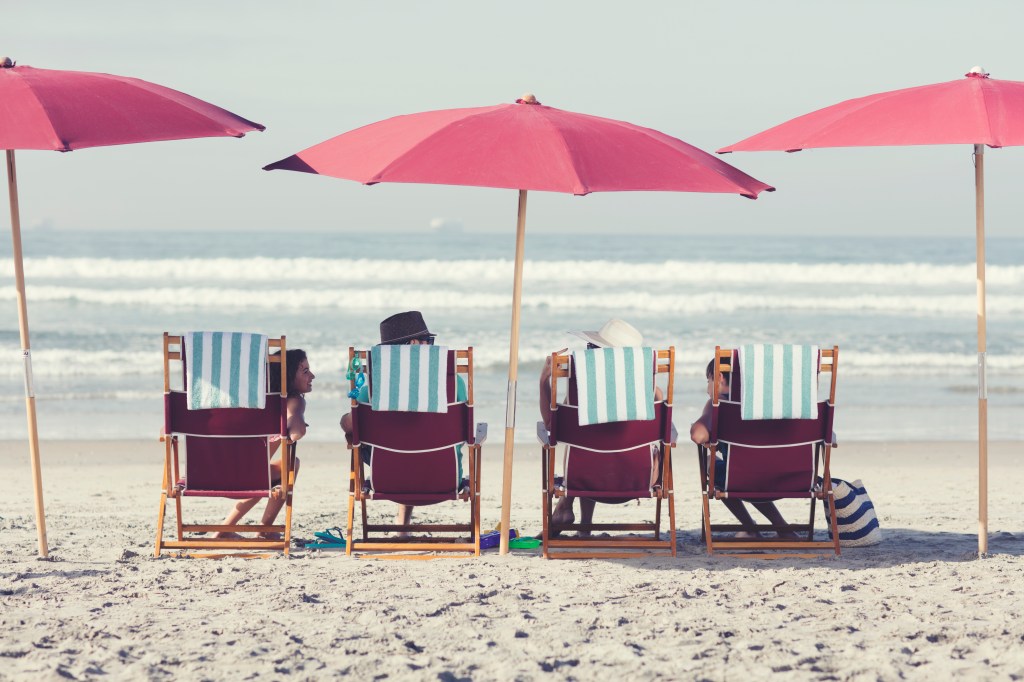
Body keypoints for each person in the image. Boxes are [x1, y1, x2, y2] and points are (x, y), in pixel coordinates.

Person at [340, 310, 467, 531]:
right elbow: (464, 431)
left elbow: (350, 424)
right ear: (415, 343)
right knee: (417, 437)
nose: (431, 345)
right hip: (444, 476)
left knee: (380, 440)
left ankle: (402, 522)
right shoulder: (452, 382)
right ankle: (403, 521)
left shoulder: (374, 388)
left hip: (388, 479)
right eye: (429, 341)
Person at [539, 318, 664, 537]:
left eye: (590, 348)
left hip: (584, 479)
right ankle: (584, 525)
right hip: (637, 479)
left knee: (587, 447)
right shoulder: (645, 390)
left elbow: (551, 425)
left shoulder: (581, 390)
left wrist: (544, 380)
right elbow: (663, 421)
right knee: (598, 445)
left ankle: (564, 508)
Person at [689, 359, 796, 539]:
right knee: (754, 470)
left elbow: (698, 436)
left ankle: (750, 528)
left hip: (741, 480)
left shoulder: (720, 404)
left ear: (720, 377)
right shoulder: (769, 403)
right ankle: (783, 528)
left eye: (708, 380)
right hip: (786, 478)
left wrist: (703, 425)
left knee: (712, 464)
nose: (708, 386)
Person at [214, 348, 313, 539]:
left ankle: (223, 530)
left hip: (209, 476)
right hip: (248, 479)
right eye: (305, 371)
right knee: (290, 464)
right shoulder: (292, 402)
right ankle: (264, 528)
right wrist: (293, 421)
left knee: (255, 470)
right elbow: (297, 433)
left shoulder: (244, 401)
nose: (312, 375)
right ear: (287, 376)